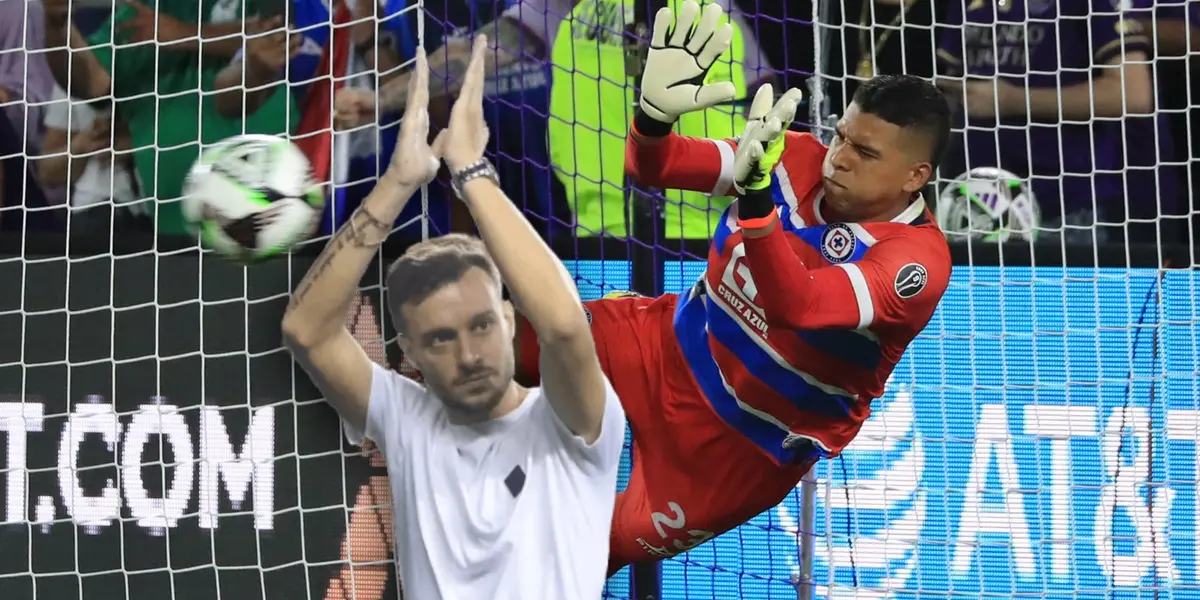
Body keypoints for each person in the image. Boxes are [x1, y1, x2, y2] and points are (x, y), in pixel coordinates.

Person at [515, 0, 953, 572]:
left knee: (574, 560)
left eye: (865, 153)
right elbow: (654, 165)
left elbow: (797, 305)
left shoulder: (916, 262)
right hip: (665, 346)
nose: (839, 159)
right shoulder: (792, 155)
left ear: (915, 176)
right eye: (842, 137)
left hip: (734, 451)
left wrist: (756, 203)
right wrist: (652, 119)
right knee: (501, 344)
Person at [282, 37, 625, 599]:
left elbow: (565, 326)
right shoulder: (407, 419)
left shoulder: (569, 425)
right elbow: (306, 330)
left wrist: (471, 170)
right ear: (409, 354)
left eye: (482, 326)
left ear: (511, 321)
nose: (468, 355)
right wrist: (396, 185)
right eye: (440, 339)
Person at [935, 0, 1152, 245]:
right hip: (969, 202)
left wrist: (1012, 100)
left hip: (1062, 208)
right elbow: (952, 91)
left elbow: (1133, 94)